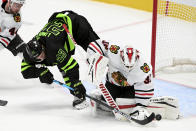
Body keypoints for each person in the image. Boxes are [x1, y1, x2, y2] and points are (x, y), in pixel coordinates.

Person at [21, 10, 100, 110]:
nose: (40, 58)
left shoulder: (53, 49)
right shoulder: (28, 52)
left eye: (41, 54)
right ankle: (78, 96)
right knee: (62, 64)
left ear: (43, 47)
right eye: (36, 57)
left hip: (76, 25)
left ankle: (113, 81)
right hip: (59, 28)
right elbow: (25, 71)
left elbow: (72, 66)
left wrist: (76, 83)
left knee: (98, 53)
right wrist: (40, 72)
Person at [87, 40, 180, 120]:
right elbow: (95, 45)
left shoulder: (144, 67)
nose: (128, 68)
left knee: (124, 106)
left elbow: (146, 87)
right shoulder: (114, 50)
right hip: (112, 84)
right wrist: (93, 60)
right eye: (126, 65)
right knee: (105, 106)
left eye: (131, 66)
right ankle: (99, 95)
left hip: (131, 88)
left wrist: (141, 106)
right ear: (121, 56)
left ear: (137, 58)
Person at [0, 0, 26, 106]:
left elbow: (6, 38)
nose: (18, 8)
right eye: (16, 5)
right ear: (9, 2)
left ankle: (45, 75)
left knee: (28, 54)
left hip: (7, 36)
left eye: (20, 5)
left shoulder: (16, 20)